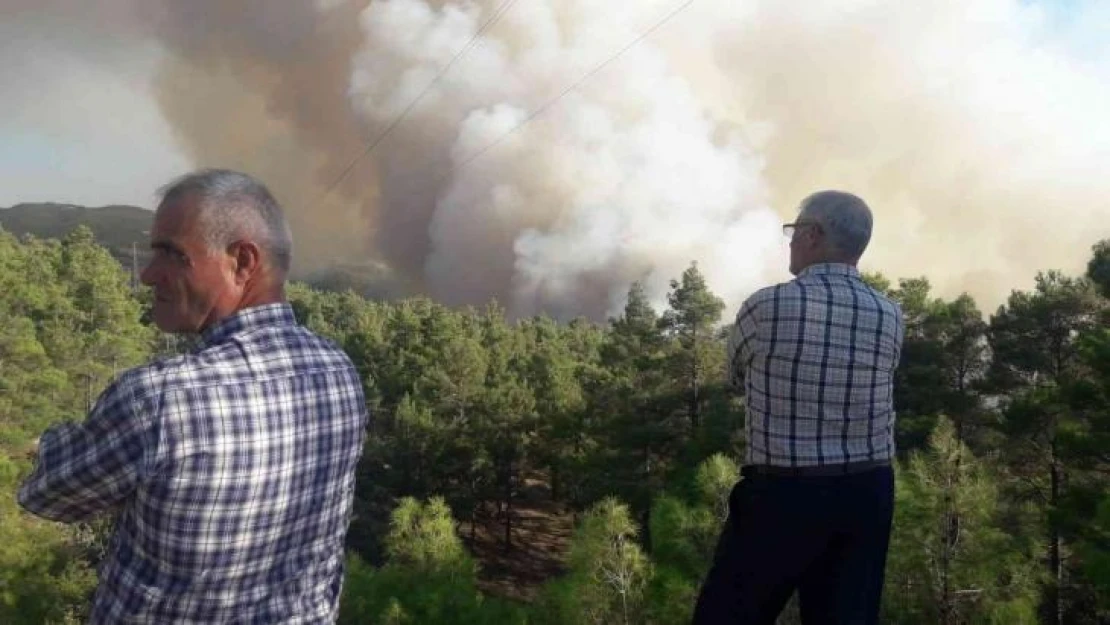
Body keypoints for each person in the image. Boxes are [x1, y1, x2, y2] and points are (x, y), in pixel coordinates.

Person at [18, 169, 369, 623]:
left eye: (170, 253)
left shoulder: (158, 401)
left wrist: (50, 443)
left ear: (242, 262)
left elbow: (46, 495)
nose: (147, 275)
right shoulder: (340, 371)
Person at [693, 191, 904, 624]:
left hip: (782, 495)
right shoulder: (891, 314)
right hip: (868, 494)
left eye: (793, 230)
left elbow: (734, 376)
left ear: (812, 235)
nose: (789, 240)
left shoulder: (766, 306)